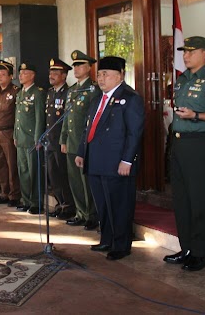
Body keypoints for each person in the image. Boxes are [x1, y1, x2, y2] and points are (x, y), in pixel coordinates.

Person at [76, 56, 144, 261]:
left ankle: (121, 244)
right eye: (99, 74)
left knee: (119, 204)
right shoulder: (98, 98)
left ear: (120, 76)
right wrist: (82, 152)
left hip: (117, 163)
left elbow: (135, 133)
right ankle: (106, 238)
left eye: (106, 74)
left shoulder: (130, 98)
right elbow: (88, 127)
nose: (101, 78)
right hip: (96, 160)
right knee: (103, 204)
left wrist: (127, 160)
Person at [164, 36, 205, 271]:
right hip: (178, 144)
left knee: (199, 199)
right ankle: (186, 247)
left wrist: (196, 116)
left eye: (191, 51)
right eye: (184, 52)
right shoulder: (182, 80)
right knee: (181, 200)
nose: (186, 56)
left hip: (199, 144)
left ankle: (201, 252)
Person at [60, 50, 100, 228]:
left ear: (89, 67)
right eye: (74, 66)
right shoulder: (72, 90)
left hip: (84, 143)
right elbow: (66, 118)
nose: (76, 69)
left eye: (80, 65)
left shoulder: (94, 89)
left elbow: (91, 120)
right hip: (71, 142)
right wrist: (63, 139)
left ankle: (91, 215)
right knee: (74, 180)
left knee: (86, 182)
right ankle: (80, 212)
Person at [0, 60, 21, 206]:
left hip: (9, 133)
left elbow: (18, 116)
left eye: (3, 74)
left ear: (11, 76)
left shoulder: (16, 91)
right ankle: (4, 192)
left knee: (11, 165)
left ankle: (14, 195)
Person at [44, 59, 75, 219]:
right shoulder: (50, 93)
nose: (51, 76)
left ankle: (69, 205)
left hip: (60, 141)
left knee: (63, 174)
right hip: (49, 141)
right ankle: (59, 202)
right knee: (53, 174)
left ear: (64, 76)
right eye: (51, 73)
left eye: (55, 73)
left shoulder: (68, 93)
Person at [14, 62, 46, 214]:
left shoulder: (38, 93)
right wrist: (15, 135)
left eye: (25, 73)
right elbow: (17, 117)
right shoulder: (20, 93)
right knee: (23, 171)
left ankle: (35, 202)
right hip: (21, 138)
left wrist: (38, 138)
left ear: (32, 75)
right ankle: (26, 200)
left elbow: (40, 118)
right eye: (20, 72)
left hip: (32, 139)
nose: (21, 75)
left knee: (34, 172)